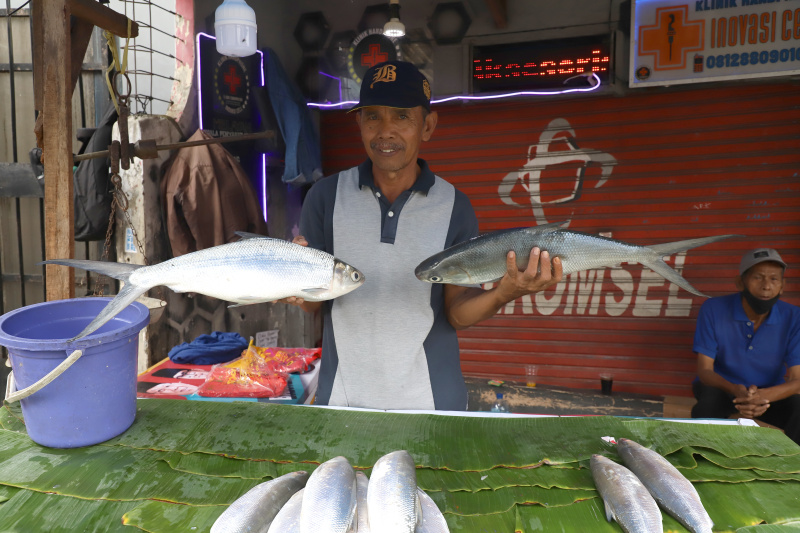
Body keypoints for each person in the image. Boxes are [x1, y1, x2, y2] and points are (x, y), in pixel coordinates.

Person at [283, 61, 563, 411]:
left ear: (427, 125)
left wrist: (506, 292)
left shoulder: (454, 206)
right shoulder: (325, 197)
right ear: (358, 123)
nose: (385, 131)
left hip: (430, 402)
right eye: (372, 116)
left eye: (401, 117)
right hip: (343, 399)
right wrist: (289, 286)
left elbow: (457, 313)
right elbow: (315, 302)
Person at [691, 248, 800, 444]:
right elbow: (705, 371)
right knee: (707, 406)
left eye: (774, 279)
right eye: (758, 277)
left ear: (783, 286)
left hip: (769, 395)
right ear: (740, 282)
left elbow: (797, 380)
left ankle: (792, 468)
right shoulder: (713, 309)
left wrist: (762, 397)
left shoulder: (794, 317)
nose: (766, 286)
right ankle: (700, 458)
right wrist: (736, 389)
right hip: (723, 388)